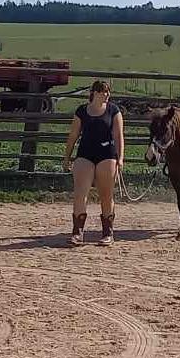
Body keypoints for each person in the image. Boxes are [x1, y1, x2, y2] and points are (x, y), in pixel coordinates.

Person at [63, 80, 124, 246]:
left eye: (108, 92)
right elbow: (73, 135)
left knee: (106, 194)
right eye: (103, 92)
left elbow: (119, 136)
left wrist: (120, 158)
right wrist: (67, 156)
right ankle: (78, 231)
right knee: (80, 194)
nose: (106, 95)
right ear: (94, 93)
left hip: (107, 154)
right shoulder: (82, 111)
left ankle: (107, 232)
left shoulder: (114, 111)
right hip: (85, 154)